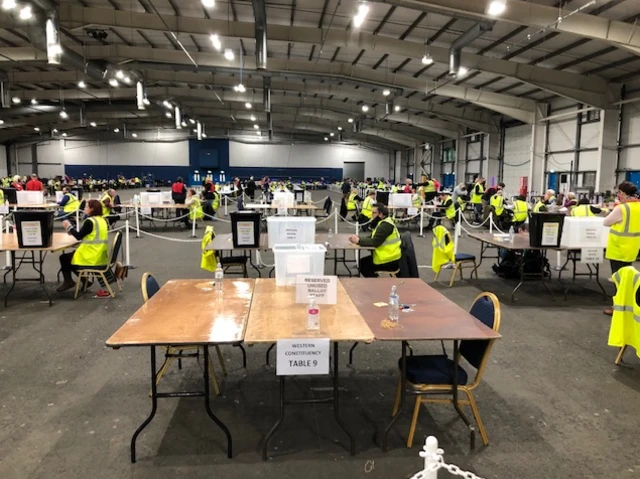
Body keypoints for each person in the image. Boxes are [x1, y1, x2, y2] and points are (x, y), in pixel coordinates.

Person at [57, 199, 110, 296]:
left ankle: (69, 281)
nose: (84, 209)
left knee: (64, 258)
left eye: (86, 207)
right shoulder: (103, 220)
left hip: (90, 256)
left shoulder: (90, 221)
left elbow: (78, 236)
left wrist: (69, 227)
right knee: (69, 258)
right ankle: (84, 281)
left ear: (92, 209)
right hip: (100, 254)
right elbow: (90, 236)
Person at [603, 181, 640, 316]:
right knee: (627, 278)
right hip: (632, 248)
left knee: (618, 280)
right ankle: (628, 304)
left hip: (618, 249)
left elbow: (606, 222)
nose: (617, 195)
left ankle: (617, 308)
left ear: (623, 194)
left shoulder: (622, 208)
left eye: (618, 192)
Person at [349, 203, 401, 277]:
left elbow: (374, 242)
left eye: (374, 212)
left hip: (388, 259)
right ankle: (375, 282)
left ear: (381, 214)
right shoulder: (384, 222)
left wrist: (358, 241)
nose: (371, 214)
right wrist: (359, 238)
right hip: (389, 256)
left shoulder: (385, 226)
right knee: (363, 263)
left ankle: (375, 284)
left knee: (363, 265)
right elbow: (372, 237)